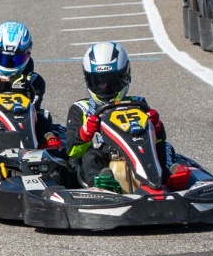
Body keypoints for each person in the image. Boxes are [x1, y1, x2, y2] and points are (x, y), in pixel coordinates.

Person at [67, 41, 171, 191]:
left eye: (111, 82)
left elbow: (159, 138)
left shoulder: (138, 103)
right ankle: (102, 184)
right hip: (103, 157)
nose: (104, 87)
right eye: (98, 82)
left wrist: (156, 126)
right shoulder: (80, 108)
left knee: (165, 147)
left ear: (125, 75)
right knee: (89, 156)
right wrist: (86, 132)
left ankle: (167, 178)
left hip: (137, 153)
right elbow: (71, 150)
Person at [0, 21, 59, 148]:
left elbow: (33, 112)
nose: (7, 64)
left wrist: (23, 90)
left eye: (14, 59)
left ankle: (48, 142)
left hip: (24, 128)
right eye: (2, 58)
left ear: (27, 54)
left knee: (44, 115)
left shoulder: (35, 81)